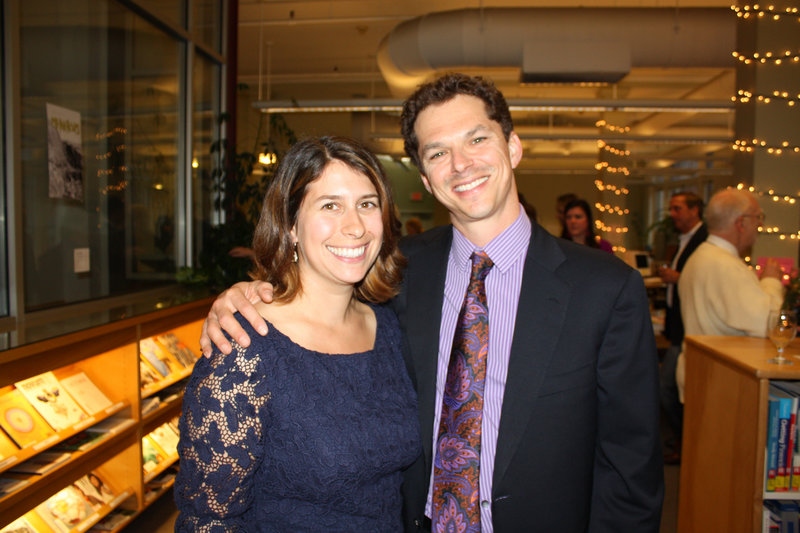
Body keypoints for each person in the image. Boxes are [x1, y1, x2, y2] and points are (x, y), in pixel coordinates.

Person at [200, 73, 663, 532]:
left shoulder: (605, 290)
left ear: (514, 147)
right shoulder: (395, 272)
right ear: (424, 175)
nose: (460, 164)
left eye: (477, 139)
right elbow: (314, 298)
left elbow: (630, 472)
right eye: (439, 152)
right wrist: (243, 294)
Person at [174, 136, 421, 532]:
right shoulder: (244, 347)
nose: (354, 226)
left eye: (367, 204)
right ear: (290, 225)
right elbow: (208, 519)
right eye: (330, 205)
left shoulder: (388, 328)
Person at [676, 187, 783, 400]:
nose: (759, 225)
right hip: (721, 383)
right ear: (741, 223)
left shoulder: (701, 256)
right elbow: (768, 324)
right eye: (757, 218)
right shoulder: (725, 266)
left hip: (703, 374)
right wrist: (771, 280)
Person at [656, 191, 708, 465]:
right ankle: (681, 441)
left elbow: (700, 280)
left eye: (678, 209)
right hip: (677, 326)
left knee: (669, 389)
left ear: (694, 210)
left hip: (690, 330)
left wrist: (678, 278)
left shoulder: (703, 242)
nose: (672, 214)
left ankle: (684, 443)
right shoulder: (685, 241)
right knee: (671, 388)